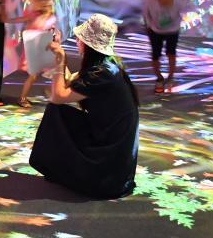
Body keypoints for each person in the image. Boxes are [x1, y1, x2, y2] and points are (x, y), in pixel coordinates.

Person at [28, 14, 139, 198]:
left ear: (89, 45)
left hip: (110, 166)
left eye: (81, 38)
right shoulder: (106, 66)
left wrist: (59, 60)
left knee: (55, 111)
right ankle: (60, 167)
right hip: (110, 145)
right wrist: (59, 52)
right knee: (61, 112)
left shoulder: (103, 73)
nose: (78, 41)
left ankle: (57, 167)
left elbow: (58, 96)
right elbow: (70, 81)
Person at [8, 0, 57, 108]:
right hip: (34, 51)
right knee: (33, 75)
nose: (45, 2)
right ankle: (22, 98)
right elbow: (21, 19)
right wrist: (7, 19)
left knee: (54, 72)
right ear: (36, 1)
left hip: (46, 50)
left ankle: (49, 91)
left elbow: (53, 33)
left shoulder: (52, 17)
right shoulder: (34, 15)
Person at [142, 0, 183, 93]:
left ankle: (170, 77)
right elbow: (146, 15)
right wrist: (149, 27)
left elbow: (185, 10)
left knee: (171, 53)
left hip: (173, 30)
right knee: (156, 55)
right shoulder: (149, 1)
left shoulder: (178, 0)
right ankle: (159, 78)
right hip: (155, 31)